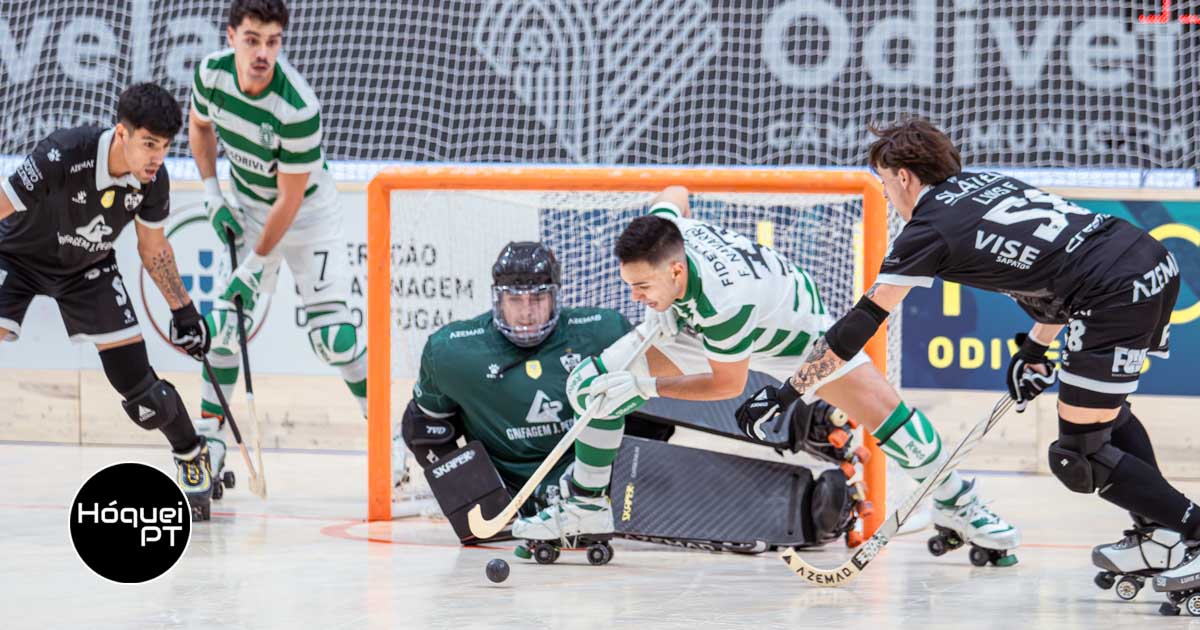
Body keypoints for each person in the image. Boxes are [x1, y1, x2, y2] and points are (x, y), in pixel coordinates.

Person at [744, 119, 1197, 596]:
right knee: (1106, 417)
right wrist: (1035, 348)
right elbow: (1058, 273)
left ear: (903, 177)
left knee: (1078, 456)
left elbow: (861, 322)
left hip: (1113, 293)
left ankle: (1191, 531)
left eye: (883, 183)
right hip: (1146, 258)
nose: (885, 196)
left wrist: (788, 392)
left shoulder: (928, 230)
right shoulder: (984, 183)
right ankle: (1159, 535)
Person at [512, 185, 1020, 566]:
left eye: (642, 287)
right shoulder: (668, 238)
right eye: (631, 285)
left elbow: (728, 386)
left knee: (892, 419)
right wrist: (660, 310)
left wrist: (644, 387)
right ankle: (584, 507)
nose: (634, 297)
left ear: (674, 271)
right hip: (708, 316)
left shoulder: (723, 305)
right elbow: (673, 194)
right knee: (593, 387)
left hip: (795, 337)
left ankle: (960, 503)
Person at [0, 83, 215, 519]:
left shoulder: (153, 181)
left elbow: (153, 248)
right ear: (122, 134)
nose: (157, 157)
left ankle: (192, 455)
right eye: (149, 144)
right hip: (16, 258)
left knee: (143, 394)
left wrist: (184, 310)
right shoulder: (63, 153)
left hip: (87, 271)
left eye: (165, 147)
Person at [188, 0, 366, 492]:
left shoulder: (297, 106)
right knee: (223, 328)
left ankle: (388, 443)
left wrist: (256, 262)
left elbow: (288, 201)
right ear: (231, 37)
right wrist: (210, 192)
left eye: (272, 42)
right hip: (246, 206)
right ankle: (209, 440)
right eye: (252, 39)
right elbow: (199, 127)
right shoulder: (211, 75)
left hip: (308, 215)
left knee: (336, 339)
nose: (263, 52)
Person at [403, 241, 668, 543]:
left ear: (556, 296)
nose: (526, 312)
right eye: (515, 300)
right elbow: (423, 428)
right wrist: (476, 494)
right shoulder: (452, 352)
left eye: (538, 298)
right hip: (506, 495)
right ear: (498, 299)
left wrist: (625, 481)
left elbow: (652, 415)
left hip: (590, 486)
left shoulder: (603, 332)